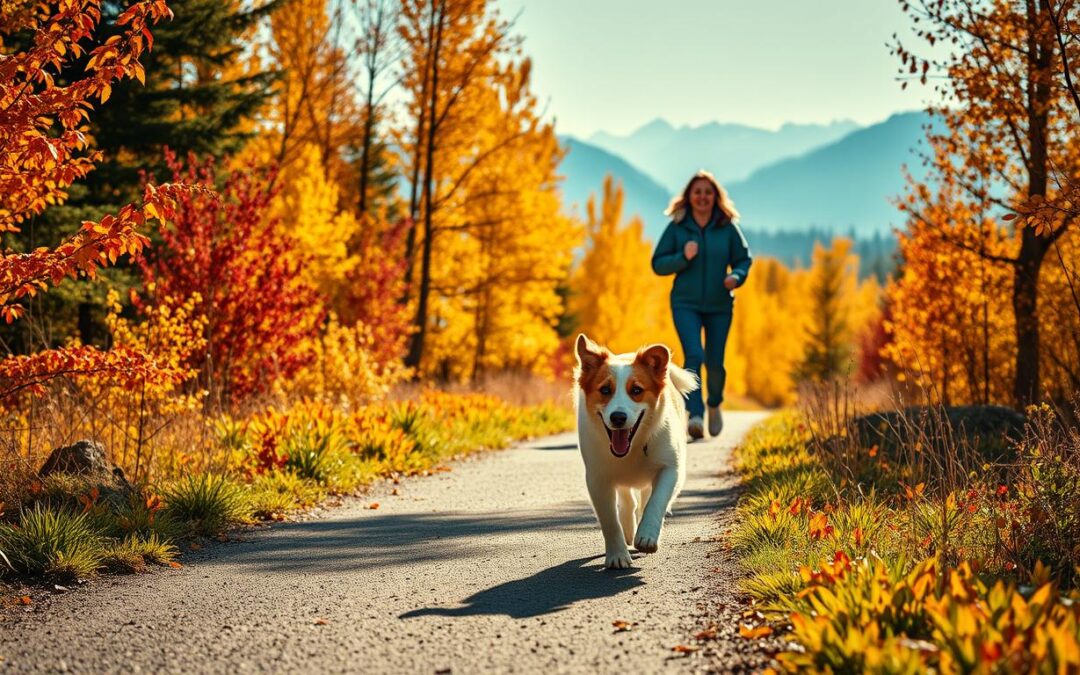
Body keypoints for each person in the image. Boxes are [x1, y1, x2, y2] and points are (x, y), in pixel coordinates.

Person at [650, 170, 751, 440]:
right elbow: (658, 264)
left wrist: (736, 276)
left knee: (715, 362)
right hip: (685, 303)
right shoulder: (678, 227)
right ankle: (695, 415)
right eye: (698, 192)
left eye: (708, 192)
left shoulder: (727, 227)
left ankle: (714, 402)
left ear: (715, 196)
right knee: (694, 355)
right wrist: (683, 257)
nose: (703, 197)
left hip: (720, 305)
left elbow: (744, 259)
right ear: (689, 196)